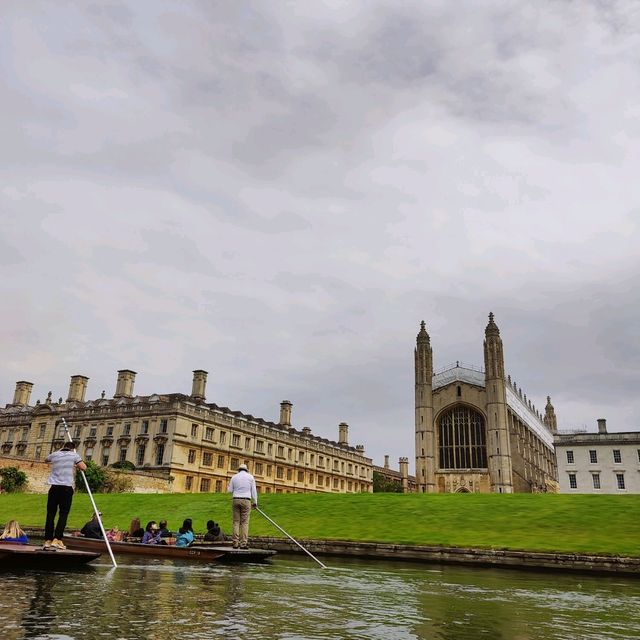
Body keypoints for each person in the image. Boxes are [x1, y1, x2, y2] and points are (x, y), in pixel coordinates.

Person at [44, 440, 87, 551]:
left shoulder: (55, 454)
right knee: (63, 514)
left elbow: (46, 460)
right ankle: (57, 539)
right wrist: (75, 465)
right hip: (66, 488)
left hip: (54, 488)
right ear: (73, 448)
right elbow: (84, 467)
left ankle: (48, 540)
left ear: (63, 447)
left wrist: (59, 455)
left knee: (50, 514)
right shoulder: (74, 455)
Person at [227, 463, 257, 549]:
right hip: (246, 500)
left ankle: (235, 543)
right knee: (244, 522)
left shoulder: (234, 477)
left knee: (236, 522)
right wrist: (255, 502)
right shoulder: (250, 477)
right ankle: (243, 543)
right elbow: (253, 491)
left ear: (239, 470)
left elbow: (230, 490)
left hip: (236, 499)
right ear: (246, 470)